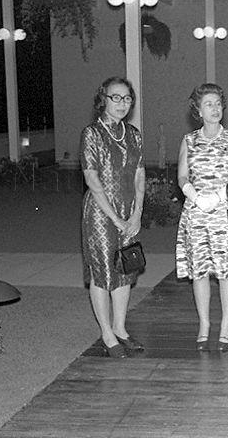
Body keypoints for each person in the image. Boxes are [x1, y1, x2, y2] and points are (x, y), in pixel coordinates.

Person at [175, 83, 228, 352]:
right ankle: (204, 324)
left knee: (226, 270)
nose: (215, 109)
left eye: (218, 103)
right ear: (198, 109)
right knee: (200, 271)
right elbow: (182, 175)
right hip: (195, 213)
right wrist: (192, 194)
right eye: (209, 104)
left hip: (222, 213)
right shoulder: (188, 140)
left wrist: (218, 196)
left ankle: (226, 324)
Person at [80, 76, 146, 358]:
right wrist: (116, 218)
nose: (122, 103)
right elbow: (92, 179)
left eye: (127, 98)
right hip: (100, 212)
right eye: (115, 97)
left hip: (128, 211)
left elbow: (140, 174)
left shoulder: (133, 134)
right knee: (101, 271)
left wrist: (137, 214)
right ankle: (107, 333)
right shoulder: (92, 133)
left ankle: (121, 328)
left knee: (125, 269)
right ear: (103, 99)